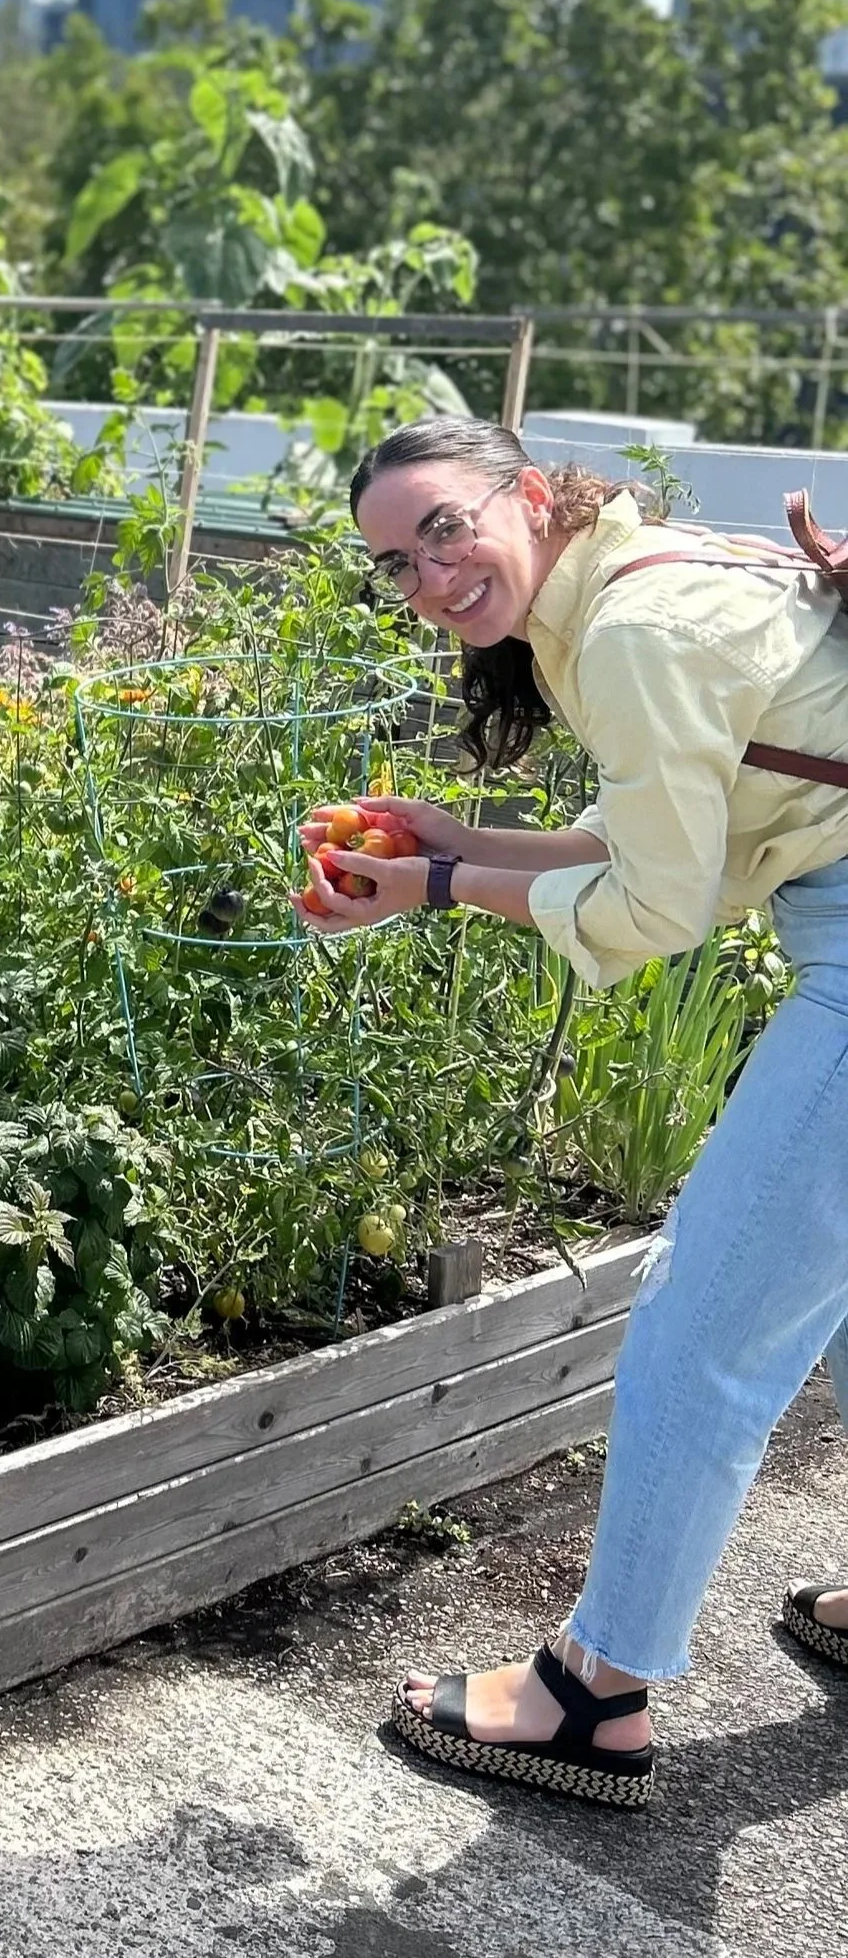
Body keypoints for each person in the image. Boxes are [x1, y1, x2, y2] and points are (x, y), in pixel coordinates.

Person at [296, 414, 848, 1807]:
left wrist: (436, 889)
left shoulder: (632, 632)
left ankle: (595, 1697)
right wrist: (463, 846)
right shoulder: (625, 583)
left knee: (704, 1324)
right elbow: (686, 840)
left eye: (444, 527)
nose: (428, 573)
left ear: (530, 495)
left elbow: (660, 908)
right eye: (394, 563)